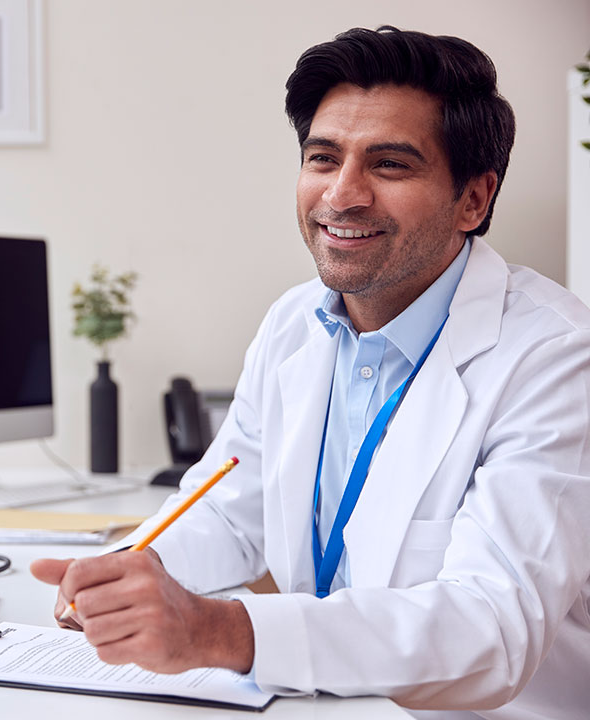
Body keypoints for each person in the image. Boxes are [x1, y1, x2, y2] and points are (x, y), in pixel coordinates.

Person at [31, 26, 590, 719]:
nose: (342, 195)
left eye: (389, 165)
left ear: (473, 200)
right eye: (323, 158)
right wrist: (133, 569)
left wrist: (216, 630)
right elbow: (228, 513)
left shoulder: (558, 359)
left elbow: (490, 630)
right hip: (321, 703)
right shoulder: (294, 325)